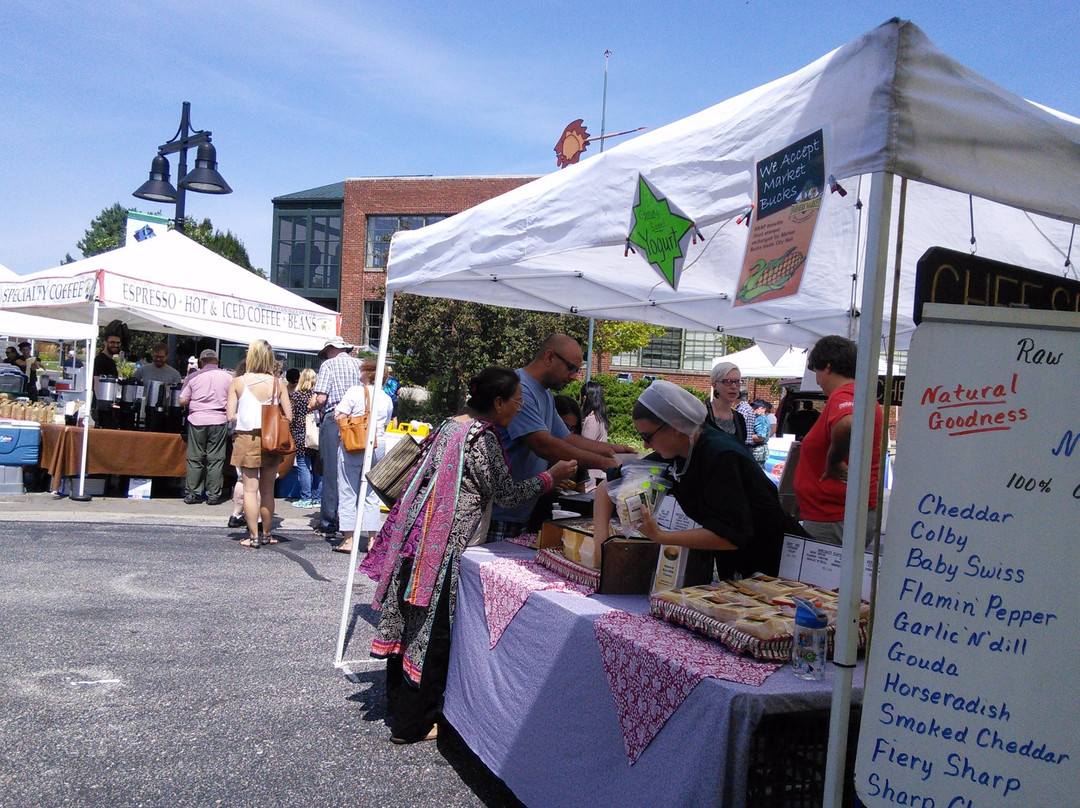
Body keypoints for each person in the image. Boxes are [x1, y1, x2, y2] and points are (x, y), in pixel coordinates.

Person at [360, 366, 578, 745]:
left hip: (418, 537)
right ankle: (413, 724)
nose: (520, 408)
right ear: (498, 403)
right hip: (443, 547)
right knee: (433, 633)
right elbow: (506, 494)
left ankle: (398, 705)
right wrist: (550, 476)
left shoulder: (451, 425)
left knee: (411, 628)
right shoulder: (484, 439)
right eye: (517, 401)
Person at [593, 379, 805, 581]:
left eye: (647, 437)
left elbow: (730, 536)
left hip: (780, 564)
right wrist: (602, 547)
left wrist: (660, 536)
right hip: (738, 565)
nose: (646, 446)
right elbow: (607, 487)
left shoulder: (722, 456)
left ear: (675, 427)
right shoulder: (674, 453)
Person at [487, 334, 633, 541]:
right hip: (498, 514)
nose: (574, 377)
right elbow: (545, 445)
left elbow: (566, 438)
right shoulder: (520, 390)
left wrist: (614, 450)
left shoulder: (544, 394)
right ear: (549, 357)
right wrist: (605, 464)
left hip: (520, 513)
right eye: (571, 368)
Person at [793, 335, 883, 546]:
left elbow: (848, 423)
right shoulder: (861, 395)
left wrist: (833, 461)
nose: (817, 380)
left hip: (833, 518)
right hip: (842, 513)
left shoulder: (843, 395)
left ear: (827, 367)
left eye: (816, 371)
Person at [227, 339, 292, 548]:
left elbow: (230, 415)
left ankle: (253, 536)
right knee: (267, 490)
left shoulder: (238, 382)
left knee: (249, 489)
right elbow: (289, 415)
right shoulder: (278, 383)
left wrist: (247, 414)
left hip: (246, 437)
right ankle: (266, 533)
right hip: (271, 439)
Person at [333, 358, 394, 555]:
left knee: (348, 489)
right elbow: (385, 423)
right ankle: (372, 539)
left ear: (368, 373)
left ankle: (349, 539)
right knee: (370, 493)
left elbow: (339, 415)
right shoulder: (386, 397)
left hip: (355, 443)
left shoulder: (355, 391)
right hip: (378, 443)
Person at [310, 337, 361, 539]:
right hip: (358, 421)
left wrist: (313, 405)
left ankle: (329, 520)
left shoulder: (328, 365)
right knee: (352, 471)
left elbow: (322, 398)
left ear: (331, 349)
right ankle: (349, 519)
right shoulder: (359, 364)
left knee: (331, 470)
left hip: (335, 418)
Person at [179, 349, 234, 505]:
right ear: (216, 361)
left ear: (201, 362)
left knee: (195, 458)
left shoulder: (193, 377)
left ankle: (193, 493)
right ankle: (213, 495)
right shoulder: (228, 377)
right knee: (215, 459)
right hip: (219, 419)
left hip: (197, 419)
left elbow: (182, 400)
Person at [289, 368, 322, 510]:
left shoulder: (297, 396)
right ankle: (318, 498)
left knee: (303, 466)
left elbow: (292, 417)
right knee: (317, 468)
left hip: (301, 434)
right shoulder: (317, 397)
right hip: (317, 435)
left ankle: (306, 498)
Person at [579, 380, 610, 492]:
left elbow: (583, 448)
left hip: (589, 481)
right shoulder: (600, 418)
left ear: (585, 398)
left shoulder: (592, 420)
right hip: (596, 476)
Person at [706, 362, 750, 443]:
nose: (733, 386)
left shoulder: (739, 419)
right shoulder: (702, 414)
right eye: (727, 381)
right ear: (714, 385)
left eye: (737, 381)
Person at [750, 400, 771, 467]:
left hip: (757, 452)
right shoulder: (761, 418)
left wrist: (745, 436)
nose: (754, 409)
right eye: (753, 407)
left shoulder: (761, 419)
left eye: (756, 407)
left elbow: (760, 437)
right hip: (759, 452)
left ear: (763, 409)